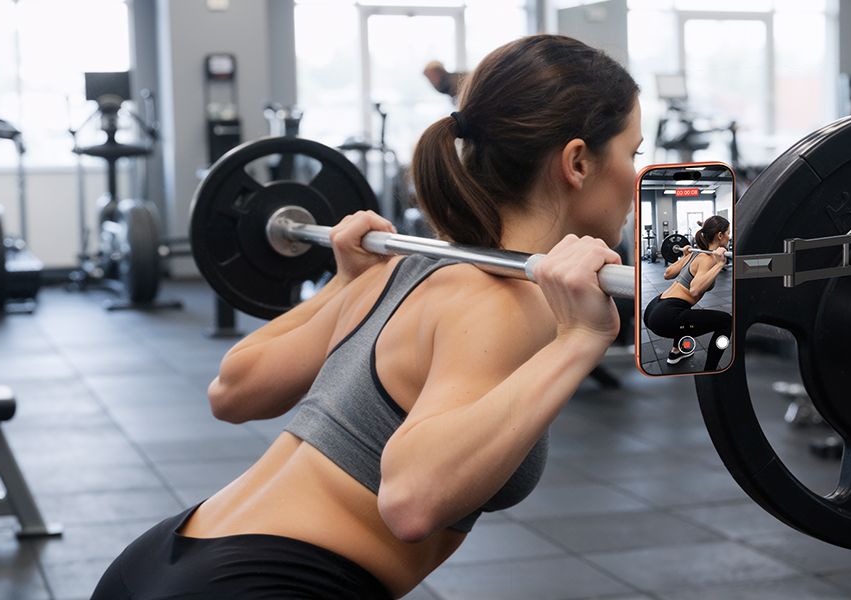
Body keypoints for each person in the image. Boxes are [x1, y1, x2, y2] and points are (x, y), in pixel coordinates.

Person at [91, 34, 641, 600]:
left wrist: (343, 280)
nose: (638, 177)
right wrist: (579, 338)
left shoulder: (401, 265)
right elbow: (411, 501)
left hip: (161, 559)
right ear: (577, 162)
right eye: (634, 153)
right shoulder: (504, 302)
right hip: (261, 583)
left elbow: (234, 388)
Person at [642, 215, 732, 372]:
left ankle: (675, 353)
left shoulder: (694, 253)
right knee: (726, 321)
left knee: (686, 313)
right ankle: (711, 371)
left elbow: (667, 274)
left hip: (654, 308)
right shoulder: (708, 259)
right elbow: (695, 289)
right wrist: (720, 264)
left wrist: (685, 257)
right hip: (666, 318)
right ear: (720, 235)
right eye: (728, 233)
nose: (729, 237)